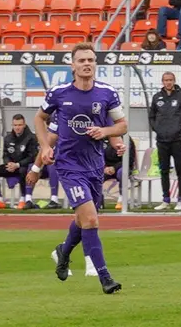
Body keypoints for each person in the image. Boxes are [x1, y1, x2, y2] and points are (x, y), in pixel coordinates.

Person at [35, 43, 126, 292]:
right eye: (82, 60)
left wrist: (106, 132)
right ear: (72, 65)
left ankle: (63, 252)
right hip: (68, 165)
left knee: (83, 218)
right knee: (91, 220)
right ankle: (105, 278)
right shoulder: (59, 92)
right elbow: (40, 118)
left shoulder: (107, 93)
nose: (87, 64)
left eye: (91, 60)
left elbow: (122, 125)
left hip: (95, 165)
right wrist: (44, 147)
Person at [148, 72, 181, 211]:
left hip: (177, 140)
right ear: (162, 82)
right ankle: (166, 200)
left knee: (180, 170)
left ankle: (180, 199)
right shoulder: (157, 97)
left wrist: (179, 128)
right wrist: (157, 128)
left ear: (174, 81)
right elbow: (151, 116)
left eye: (170, 80)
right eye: (165, 80)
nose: (168, 82)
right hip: (162, 140)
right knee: (164, 170)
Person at [0, 114, 39, 210]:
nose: (17, 127)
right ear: (12, 125)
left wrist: (18, 165)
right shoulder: (8, 138)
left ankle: (23, 199)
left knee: (23, 171)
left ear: (24, 125)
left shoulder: (31, 137)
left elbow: (32, 157)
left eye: (19, 125)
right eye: (15, 125)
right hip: (11, 166)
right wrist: (9, 164)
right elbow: (5, 154)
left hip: (24, 166)